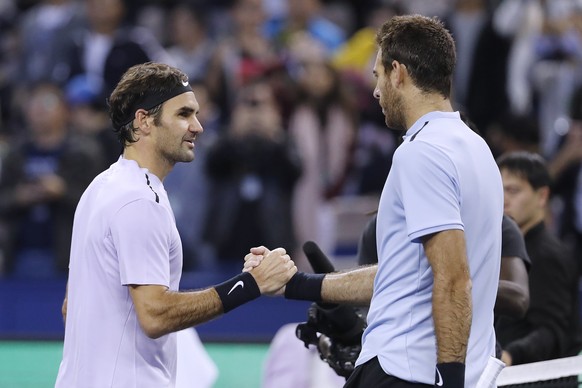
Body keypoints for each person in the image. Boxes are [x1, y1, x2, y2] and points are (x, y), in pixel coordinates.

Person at [247, 15, 504, 388]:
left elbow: (453, 279)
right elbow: (403, 274)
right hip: (441, 371)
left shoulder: (421, 153)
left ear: (398, 72)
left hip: (405, 372)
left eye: (377, 75)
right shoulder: (477, 150)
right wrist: (297, 283)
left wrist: (449, 381)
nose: (375, 91)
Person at [54, 62, 297, 388]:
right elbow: (154, 315)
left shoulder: (102, 187)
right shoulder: (139, 200)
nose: (197, 126)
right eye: (183, 114)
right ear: (143, 121)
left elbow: (72, 306)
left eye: (195, 113)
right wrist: (250, 284)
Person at [496, 151, 582, 366]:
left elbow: (552, 330)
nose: (503, 200)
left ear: (542, 196)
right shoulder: (505, 248)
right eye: (499, 190)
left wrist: (510, 355)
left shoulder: (547, 255)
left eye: (513, 191)